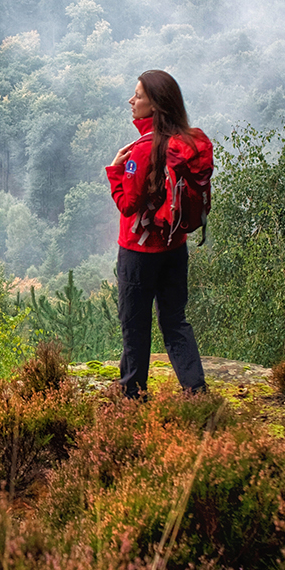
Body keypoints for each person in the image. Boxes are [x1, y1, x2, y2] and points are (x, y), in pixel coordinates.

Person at [104, 69, 213, 399]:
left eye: (138, 95)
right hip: (174, 248)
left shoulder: (142, 151)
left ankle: (132, 398)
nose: (131, 100)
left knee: (135, 326)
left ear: (155, 104)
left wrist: (115, 171)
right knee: (175, 320)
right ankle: (196, 391)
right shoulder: (187, 142)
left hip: (138, 254)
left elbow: (127, 204)